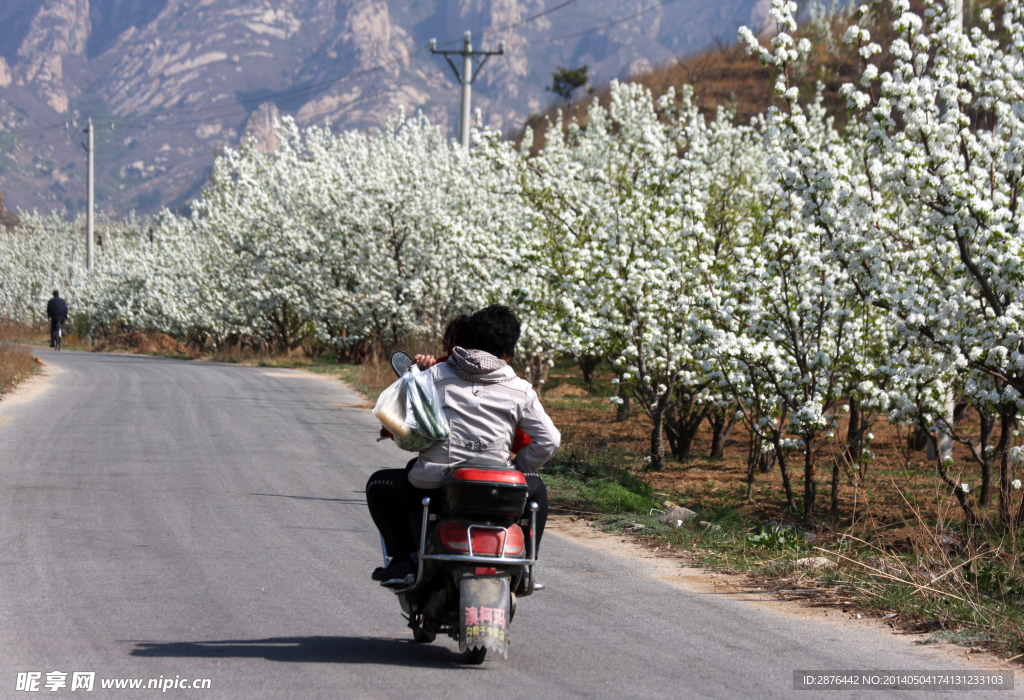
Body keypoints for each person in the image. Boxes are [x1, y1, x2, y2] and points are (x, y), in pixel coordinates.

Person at [366, 304, 560, 583]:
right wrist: (516, 468)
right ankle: (527, 566)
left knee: (377, 486)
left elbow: (404, 425)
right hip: (499, 489)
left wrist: (416, 376)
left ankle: (402, 560)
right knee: (537, 491)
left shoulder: (433, 375)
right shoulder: (521, 390)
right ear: (507, 353)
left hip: (435, 487)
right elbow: (549, 440)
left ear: (469, 339)